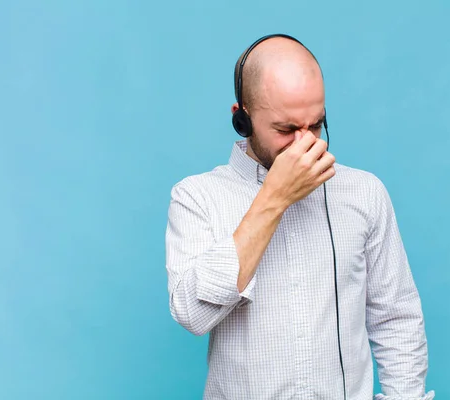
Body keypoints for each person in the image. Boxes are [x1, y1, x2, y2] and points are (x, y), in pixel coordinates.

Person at [165, 34, 435, 400]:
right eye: (287, 129)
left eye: (317, 125)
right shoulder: (196, 197)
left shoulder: (365, 193)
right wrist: (274, 198)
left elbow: (396, 318)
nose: (306, 143)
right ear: (241, 119)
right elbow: (192, 314)